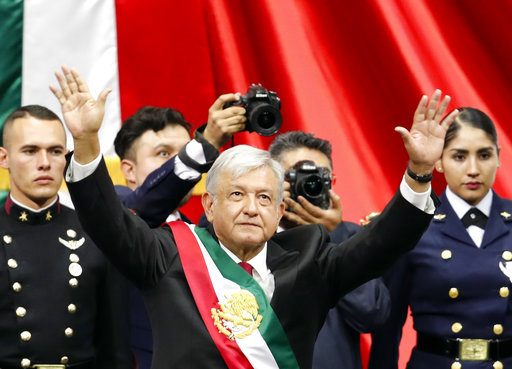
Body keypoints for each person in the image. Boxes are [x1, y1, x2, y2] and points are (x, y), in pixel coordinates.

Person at [52, 66, 456, 369]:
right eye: (237, 195)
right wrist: (86, 141)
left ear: (280, 210)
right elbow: (107, 221)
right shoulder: (169, 253)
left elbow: (383, 242)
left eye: (265, 197)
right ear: (209, 205)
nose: (251, 208)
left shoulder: (310, 262)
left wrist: (420, 171)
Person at [369, 108, 512, 369]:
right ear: (439, 161)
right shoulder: (412, 226)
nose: (473, 169)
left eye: (484, 155)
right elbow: (387, 329)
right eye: (459, 156)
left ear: (499, 157)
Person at [113, 100, 246, 368]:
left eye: (183, 152)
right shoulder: (117, 207)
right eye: (163, 154)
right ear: (129, 170)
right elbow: (145, 206)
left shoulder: (201, 233)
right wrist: (205, 144)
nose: (177, 162)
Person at [0, 105, 133, 368]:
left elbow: (115, 343)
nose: (45, 163)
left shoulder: (95, 231)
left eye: (55, 151)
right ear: (4, 159)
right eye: (30, 151)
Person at [268, 131, 390, 369]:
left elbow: (372, 315)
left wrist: (333, 237)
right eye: (297, 175)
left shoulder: (351, 237)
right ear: (272, 179)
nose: (309, 183)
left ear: (332, 184)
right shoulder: (250, 236)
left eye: (319, 177)